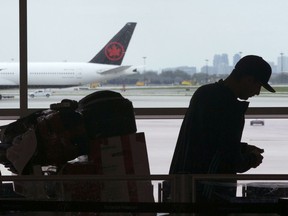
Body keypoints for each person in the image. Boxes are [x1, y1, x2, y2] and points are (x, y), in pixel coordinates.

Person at [169, 55, 275, 208]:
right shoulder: (231, 108)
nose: (257, 92)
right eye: (258, 86)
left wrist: (243, 148)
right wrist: (252, 159)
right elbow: (231, 161)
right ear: (249, 80)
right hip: (209, 195)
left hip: (183, 186)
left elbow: (208, 141)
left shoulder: (203, 93)